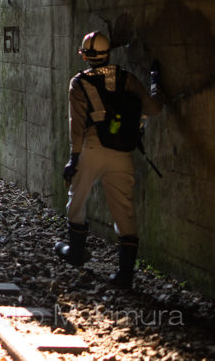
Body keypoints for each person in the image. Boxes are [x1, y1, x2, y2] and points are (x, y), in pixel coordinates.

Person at [54, 31, 163, 289]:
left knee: (77, 200)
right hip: (122, 151)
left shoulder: (79, 83)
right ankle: (125, 275)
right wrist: (156, 84)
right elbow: (153, 108)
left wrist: (73, 159)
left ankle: (76, 252)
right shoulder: (127, 78)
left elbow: (77, 126)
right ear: (108, 53)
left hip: (91, 147)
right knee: (124, 210)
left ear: (84, 55)